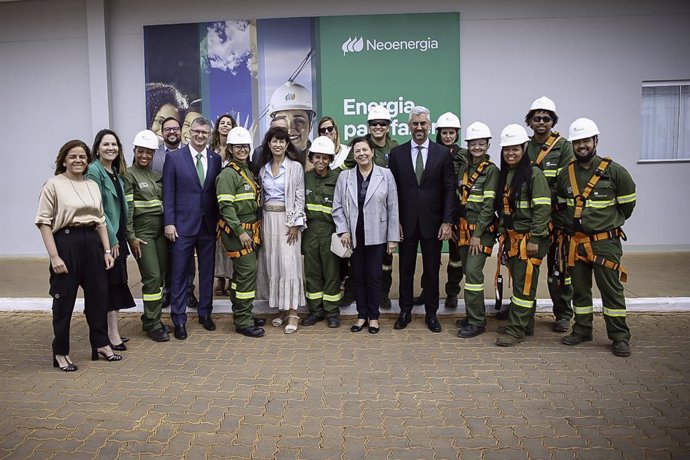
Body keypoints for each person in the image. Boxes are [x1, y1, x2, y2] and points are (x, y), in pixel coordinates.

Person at [35, 139, 122, 370]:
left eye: (82, 157)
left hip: (92, 243)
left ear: (87, 160)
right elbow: (44, 223)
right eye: (73, 156)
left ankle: (101, 344)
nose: (78, 160)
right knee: (64, 301)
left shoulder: (91, 185)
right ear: (63, 159)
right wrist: (54, 257)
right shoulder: (53, 185)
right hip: (66, 243)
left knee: (98, 297)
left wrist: (106, 251)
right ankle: (61, 353)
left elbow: (101, 220)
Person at [558, 118, 636, 357]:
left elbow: (627, 207)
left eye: (586, 141)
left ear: (595, 141)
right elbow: (562, 207)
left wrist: (604, 226)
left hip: (605, 243)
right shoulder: (565, 175)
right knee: (580, 291)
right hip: (577, 243)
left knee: (611, 290)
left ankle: (620, 337)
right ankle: (582, 330)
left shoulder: (615, 172)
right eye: (578, 141)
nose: (582, 145)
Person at [388, 106, 456, 333]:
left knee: (432, 270)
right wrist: (394, 221)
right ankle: (405, 311)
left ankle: (431, 313)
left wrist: (447, 221)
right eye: (415, 124)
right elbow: (392, 191)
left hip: (433, 223)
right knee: (405, 269)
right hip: (405, 223)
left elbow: (449, 189)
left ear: (429, 126)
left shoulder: (441, 153)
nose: (419, 128)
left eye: (423, 124)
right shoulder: (397, 154)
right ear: (409, 126)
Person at [163, 116, 222, 340]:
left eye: (204, 133)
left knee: (207, 272)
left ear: (209, 135)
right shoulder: (175, 158)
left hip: (208, 225)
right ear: (189, 133)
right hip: (181, 226)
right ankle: (179, 319)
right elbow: (168, 193)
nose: (200, 136)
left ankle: (205, 313)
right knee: (179, 274)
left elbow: (214, 193)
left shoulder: (215, 159)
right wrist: (169, 222)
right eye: (196, 132)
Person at [333, 136, 400, 333]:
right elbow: (337, 207)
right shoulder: (344, 177)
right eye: (357, 151)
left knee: (374, 276)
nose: (361, 154)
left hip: (377, 236)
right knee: (358, 276)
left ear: (372, 152)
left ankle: (374, 317)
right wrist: (343, 230)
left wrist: (392, 237)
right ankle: (361, 316)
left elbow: (393, 207)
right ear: (353, 155)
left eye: (365, 150)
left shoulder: (385, 175)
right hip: (353, 236)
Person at [494, 124, 551, 347]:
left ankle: (516, 330)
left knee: (523, 286)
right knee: (521, 282)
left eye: (515, 149)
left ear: (524, 148)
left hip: (529, 239)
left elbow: (542, 209)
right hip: (513, 238)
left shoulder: (533, 174)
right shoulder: (507, 174)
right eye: (507, 149)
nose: (510, 153)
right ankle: (525, 324)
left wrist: (536, 238)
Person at [524, 96, 575, 332]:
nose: (541, 122)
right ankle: (524, 312)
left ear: (553, 121)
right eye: (537, 118)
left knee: (559, 270)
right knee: (527, 268)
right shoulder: (524, 147)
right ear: (530, 121)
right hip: (531, 220)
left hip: (557, 220)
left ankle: (563, 313)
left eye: (546, 118)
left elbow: (568, 182)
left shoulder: (564, 147)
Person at [341, 105, 399, 309]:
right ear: (369, 126)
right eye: (374, 124)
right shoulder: (361, 145)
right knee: (357, 264)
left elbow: (397, 182)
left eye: (382, 124)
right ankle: (354, 296)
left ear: (388, 126)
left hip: (383, 209)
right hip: (359, 215)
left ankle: (382, 294)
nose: (378, 127)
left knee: (385, 262)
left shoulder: (395, 147)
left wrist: (396, 223)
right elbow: (348, 172)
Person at [86, 129, 136, 351]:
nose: (110, 148)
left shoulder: (114, 172)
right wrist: (112, 240)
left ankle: (111, 330)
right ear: (97, 148)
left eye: (114, 144)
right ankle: (111, 334)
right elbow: (98, 209)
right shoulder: (94, 171)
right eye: (106, 144)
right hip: (106, 238)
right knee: (108, 286)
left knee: (115, 284)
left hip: (118, 236)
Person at [255, 126, 306, 334]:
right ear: (269, 144)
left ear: (287, 144)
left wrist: (295, 223)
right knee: (273, 264)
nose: (278, 144)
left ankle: (294, 312)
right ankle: (282, 309)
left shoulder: (295, 167)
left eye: (281, 141)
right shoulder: (263, 168)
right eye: (274, 141)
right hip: (268, 219)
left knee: (289, 264)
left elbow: (300, 196)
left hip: (288, 221)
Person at [216, 127, 266, 337]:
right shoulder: (228, 174)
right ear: (230, 149)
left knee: (241, 276)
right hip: (238, 233)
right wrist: (240, 232)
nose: (243, 149)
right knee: (247, 274)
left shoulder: (247, 171)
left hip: (248, 231)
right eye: (238, 146)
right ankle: (244, 322)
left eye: (245, 146)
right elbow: (226, 208)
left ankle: (242, 313)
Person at [415, 112, 468, 308]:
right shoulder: (430, 152)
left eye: (451, 133)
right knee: (432, 256)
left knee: (456, 258)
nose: (448, 136)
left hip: (458, 212)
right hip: (435, 212)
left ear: (457, 134)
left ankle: (452, 292)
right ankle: (426, 291)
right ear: (438, 133)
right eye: (444, 132)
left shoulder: (464, 156)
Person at [123, 130, 171, 342]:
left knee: (160, 277)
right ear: (134, 151)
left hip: (160, 231)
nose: (144, 156)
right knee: (151, 277)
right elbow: (128, 209)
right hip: (142, 233)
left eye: (148, 153)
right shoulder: (128, 175)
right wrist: (131, 236)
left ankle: (153, 317)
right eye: (141, 152)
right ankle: (152, 324)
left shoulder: (155, 176)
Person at [455, 122, 499, 338]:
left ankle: (477, 322)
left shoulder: (491, 172)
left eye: (481, 143)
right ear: (468, 145)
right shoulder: (464, 168)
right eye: (473, 143)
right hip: (463, 230)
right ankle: (473, 314)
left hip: (479, 234)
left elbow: (489, 207)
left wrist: (478, 235)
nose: (477, 147)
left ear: (488, 145)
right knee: (467, 273)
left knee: (473, 273)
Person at [153, 116, 197, 311]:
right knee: (165, 256)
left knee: (187, 257)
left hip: (185, 216)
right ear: (162, 133)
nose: (172, 132)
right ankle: (168, 291)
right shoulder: (154, 156)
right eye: (167, 129)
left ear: (181, 132)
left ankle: (188, 291)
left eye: (175, 129)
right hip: (161, 215)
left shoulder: (190, 154)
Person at [301, 136, 342, 329]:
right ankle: (315, 311)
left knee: (332, 272)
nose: (321, 161)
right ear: (311, 157)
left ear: (330, 160)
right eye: (317, 157)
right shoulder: (305, 177)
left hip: (330, 231)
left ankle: (332, 312)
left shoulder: (338, 178)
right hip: (309, 231)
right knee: (312, 272)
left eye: (325, 158)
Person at [210, 114, 238, 297]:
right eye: (222, 123)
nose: (225, 126)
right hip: (213, 202)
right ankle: (219, 279)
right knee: (218, 243)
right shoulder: (209, 149)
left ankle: (230, 279)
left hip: (230, 201)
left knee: (230, 239)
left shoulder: (236, 149)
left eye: (229, 123)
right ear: (217, 127)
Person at [268, 81, 313, 165]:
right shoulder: (264, 156)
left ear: (310, 125)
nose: (290, 129)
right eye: (282, 121)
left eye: (298, 121)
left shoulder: (318, 158)